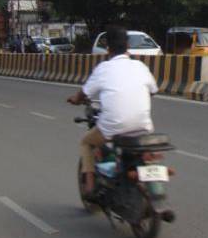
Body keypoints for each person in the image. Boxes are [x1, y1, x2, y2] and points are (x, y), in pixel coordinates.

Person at [67, 25, 158, 199]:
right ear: (128, 47)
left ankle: (90, 187)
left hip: (114, 127)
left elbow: (84, 93)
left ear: (108, 48)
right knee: (142, 151)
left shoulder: (104, 68)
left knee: (86, 143)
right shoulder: (140, 66)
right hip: (143, 127)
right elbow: (153, 90)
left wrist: (75, 99)